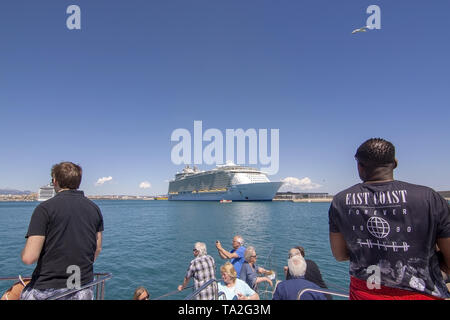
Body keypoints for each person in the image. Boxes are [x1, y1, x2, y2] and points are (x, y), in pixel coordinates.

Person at [329, 138, 450, 300]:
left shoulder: (340, 201)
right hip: (420, 294)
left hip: (364, 292)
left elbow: (339, 255)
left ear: (359, 165)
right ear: (395, 163)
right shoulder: (429, 197)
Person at [20, 162, 104, 300]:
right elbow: (97, 248)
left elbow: (29, 258)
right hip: (83, 287)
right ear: (78, 182)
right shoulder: (94, 209)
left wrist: (23, 252)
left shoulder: (44, 209)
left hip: (48, 289)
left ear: (55, 181)